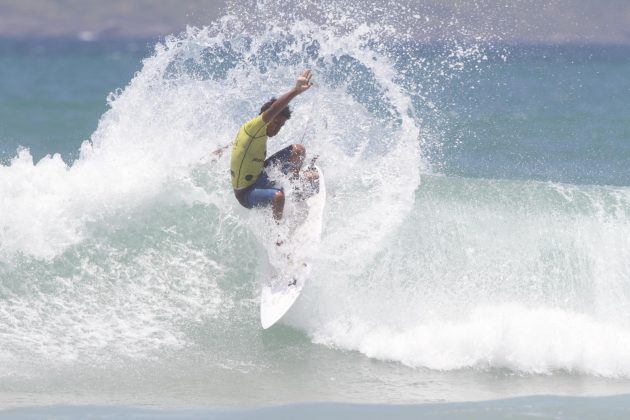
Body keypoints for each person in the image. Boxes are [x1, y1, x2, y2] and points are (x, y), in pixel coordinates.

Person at [229, 69, 315, 221]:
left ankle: (296, 189)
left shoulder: (253, 134)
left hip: (259, 175)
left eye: (281, 125)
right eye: (276, 122)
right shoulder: (253, 127)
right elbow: (274, 109)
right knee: (278, 197)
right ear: (265, 118)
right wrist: (295, 91)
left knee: (298, 150)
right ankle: (278, 237)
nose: (277, 128)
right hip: (246, 193)